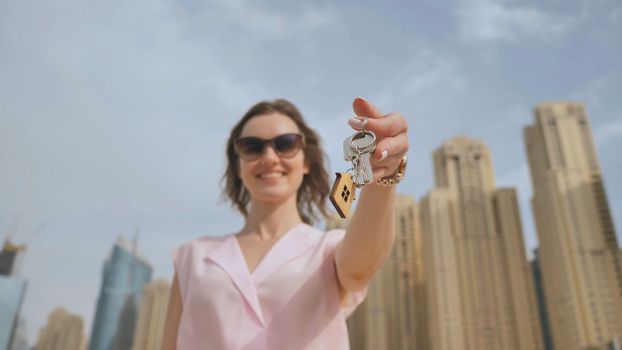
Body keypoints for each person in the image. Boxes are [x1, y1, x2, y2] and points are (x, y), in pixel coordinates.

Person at [161, 97, 409, 350]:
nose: (269, 157)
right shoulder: (193, 257)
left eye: (286, 144)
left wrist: (382, 172)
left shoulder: (328, 249)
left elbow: (358, 269)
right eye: (252, 147)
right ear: (238, 166)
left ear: (306, 162)